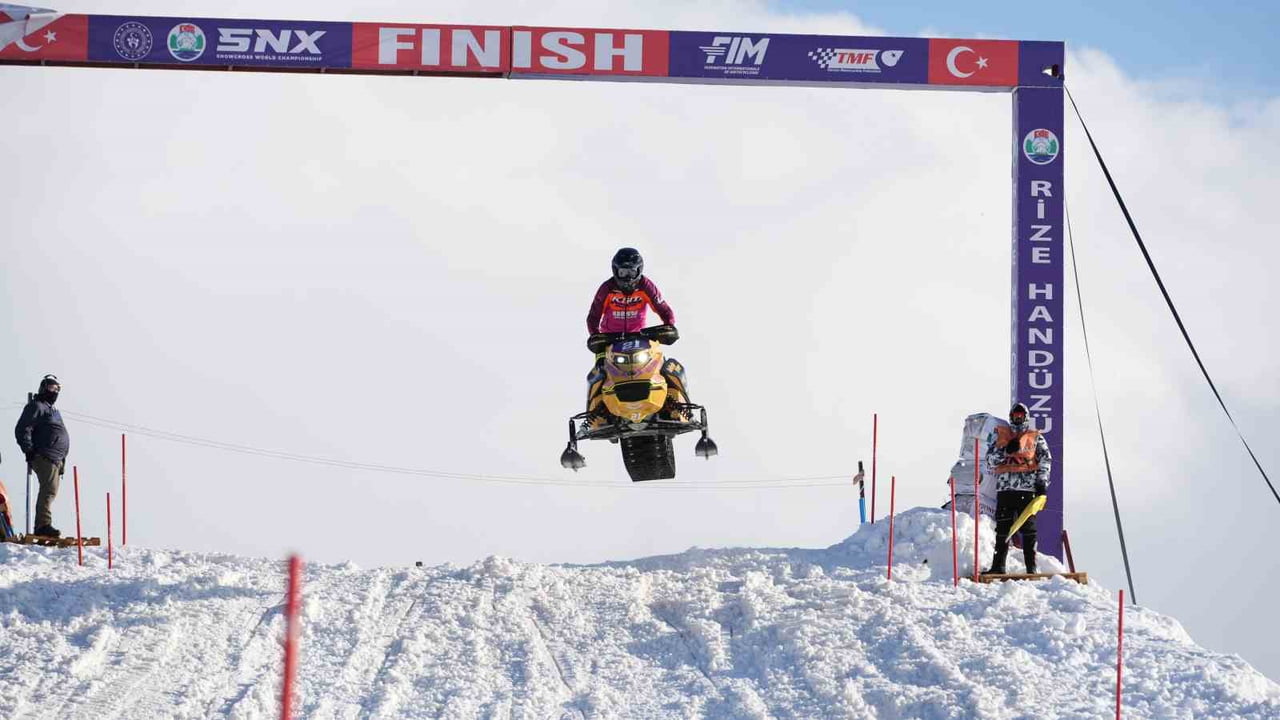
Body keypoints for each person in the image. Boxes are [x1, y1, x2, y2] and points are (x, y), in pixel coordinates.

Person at [582, 248, 682, 430]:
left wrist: (669, 325)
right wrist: (595, 337)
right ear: (615, 271)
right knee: (598, 373)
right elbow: (593, 315)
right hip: (610, 340)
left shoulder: (646, 286)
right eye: (623, 272)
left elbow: (663, 308)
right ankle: (596, 420)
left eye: (631, 272)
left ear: (639, 270)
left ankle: (677, 409)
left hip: (640, 338)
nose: (627, 277)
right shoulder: (607, 289)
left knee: (664, 366)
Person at [983, 401, 1051, 574]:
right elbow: (990, 461)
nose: (1018, 419)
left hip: (1027, 490)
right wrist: (1005, 450)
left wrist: (1042, 483)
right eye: (1015, 416)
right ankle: (998, 567)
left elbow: (1045, 461)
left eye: (1021, 416)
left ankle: (1031, 568)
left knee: (1028, 529)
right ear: (1011, 417)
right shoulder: (1001, 437)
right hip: (1005, 490)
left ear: (1026, 417)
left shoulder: (1035, 437)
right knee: (1003, 529)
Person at [14, 375, 70, 538]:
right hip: (44, 456)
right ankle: (43, 525)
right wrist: (28, 450)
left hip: (55, 459)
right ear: (44, 388)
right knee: (48, 491)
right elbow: (23, 428)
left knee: (50, 492)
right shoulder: (36, 406)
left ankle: (44, 524)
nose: (55, 392)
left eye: (58, 389)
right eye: (52, 388)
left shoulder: (51, 409)